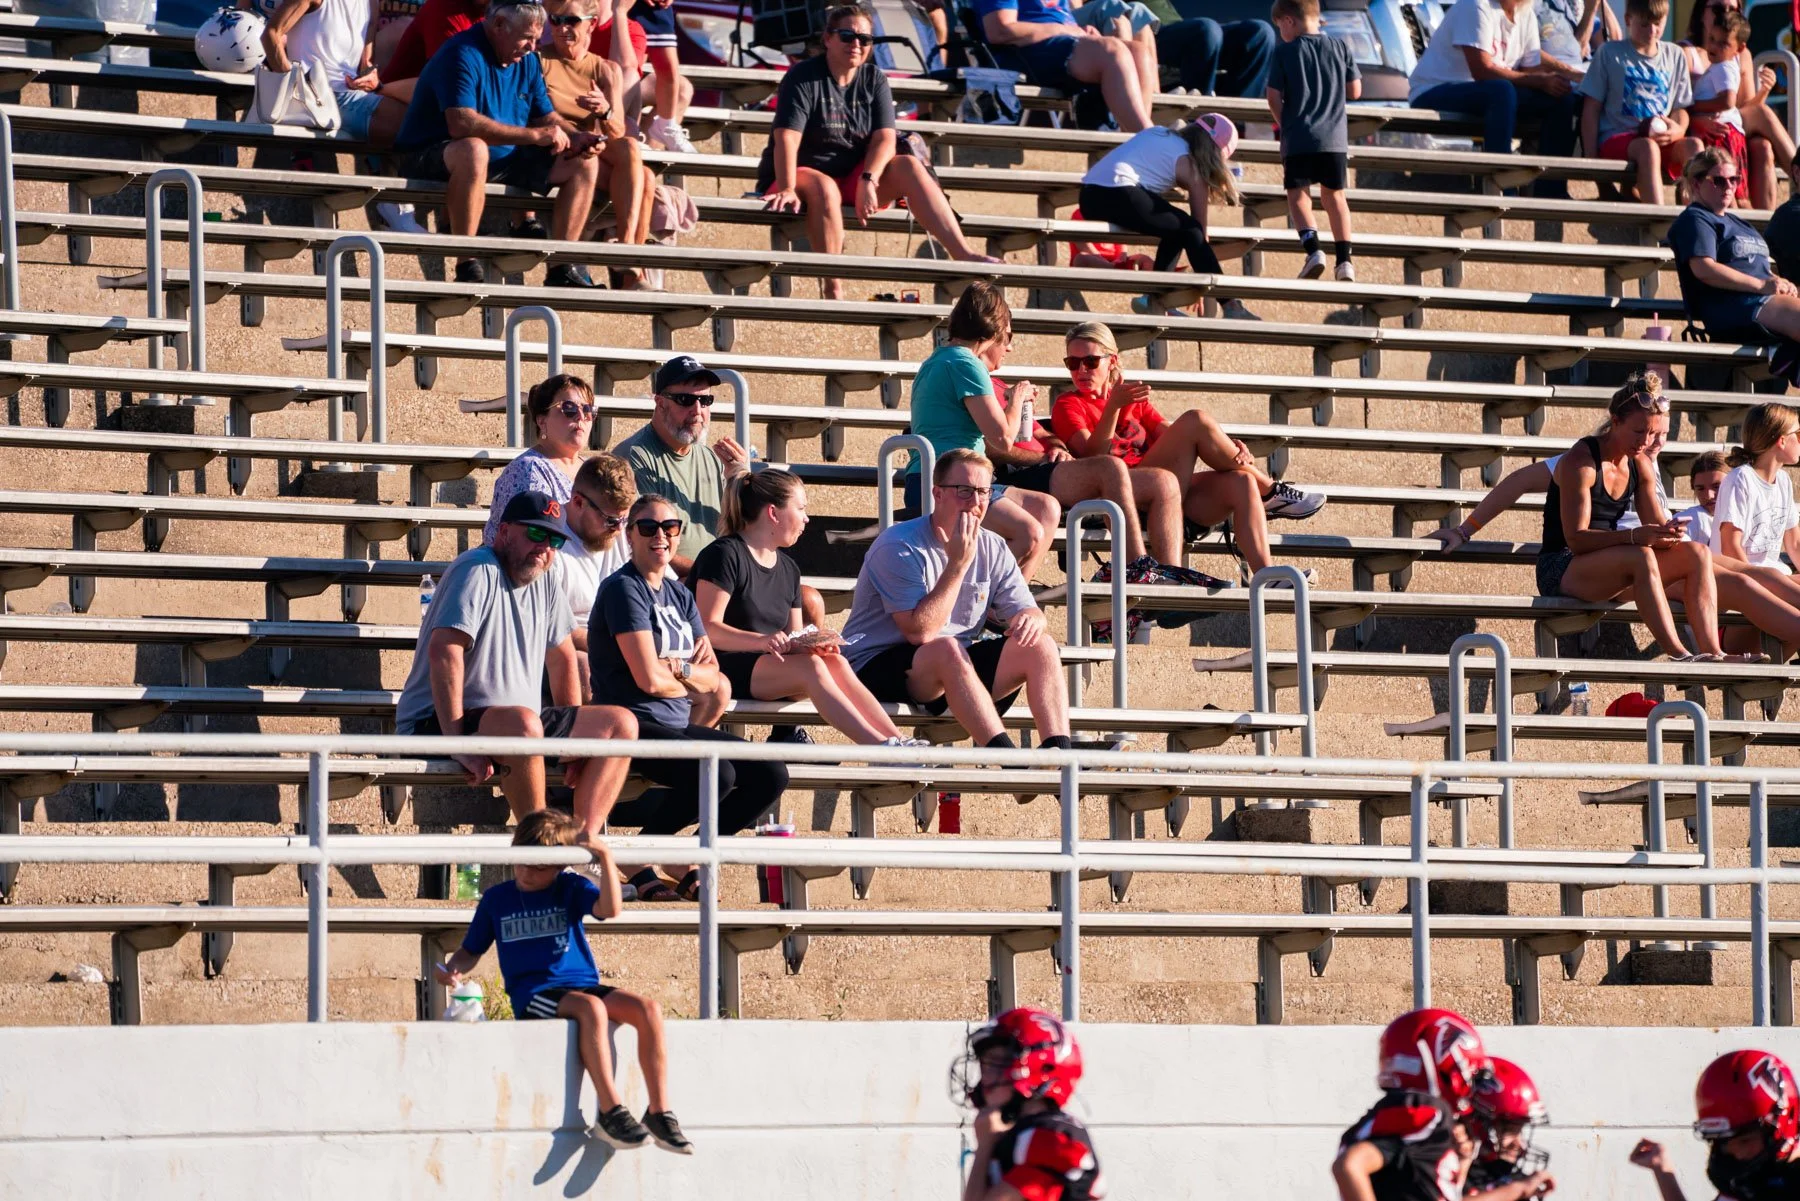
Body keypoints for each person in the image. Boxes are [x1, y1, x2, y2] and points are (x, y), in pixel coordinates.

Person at [904, 282, 1200, 586]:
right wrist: (1017, 397)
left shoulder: (938, 360)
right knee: (1041, 521)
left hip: (951, 478)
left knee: (1047, 510)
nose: (1009, 348)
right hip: (953, 482)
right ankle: (1135, 569)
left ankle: (1006, 602)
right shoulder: (967, 363)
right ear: (992, 330)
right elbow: (1002, 439)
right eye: (1007, 336)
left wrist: (1051, 447)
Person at [436, 810, 691, 1154]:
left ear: (559, 867)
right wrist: (454, 968)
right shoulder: (498, 898)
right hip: (535, 993)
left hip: (582, 982)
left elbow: (610, 909)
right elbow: (470, 951)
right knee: (591, 1009)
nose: (526, 873)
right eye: (522, 863)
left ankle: (659, 1111)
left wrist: (604, 855)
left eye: (539, 868)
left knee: (648, 1009)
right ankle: (610, 1110)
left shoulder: (570, 887)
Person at [395, 490, 638, 835]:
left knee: (620, 724)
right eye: (536, 534)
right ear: (504, 532)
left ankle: (580, 844)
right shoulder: (476, 568)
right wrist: (457, 743)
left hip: (517, 723)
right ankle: (540, 848)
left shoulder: (547, 577)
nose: (545, 547)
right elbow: (445, 651)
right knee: (524, 725)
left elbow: (563, 657)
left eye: (554, 539)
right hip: (440, 722)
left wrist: (572, 743)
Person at [589, 493, 790, 901]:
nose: (660, 536)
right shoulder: (624, 590)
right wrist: (686, 673)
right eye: (648, 527)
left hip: (676, 721)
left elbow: (713, 677)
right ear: (630, 535)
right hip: (632, 723)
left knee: (771, 773)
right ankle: (650, 852)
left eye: (670, 527)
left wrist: (676, 668)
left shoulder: (679, 595)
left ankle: (671, 852)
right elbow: (647, 680)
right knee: (720, 773)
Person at [758, 4, 1001, 302]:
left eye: (865, 39)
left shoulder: (874, 78)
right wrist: (786, 187)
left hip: (851, 176)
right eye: (847, 36)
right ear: (827, 39)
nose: (856, 45)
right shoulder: (804, 76)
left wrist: (868, 179)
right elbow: (786, 137)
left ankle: (962, 253)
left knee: (909, 165)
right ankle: (833, 288)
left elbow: (885, 137)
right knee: (824, 188)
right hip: (799, 173)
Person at [1053, 321, 1327, 584]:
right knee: (1195, 419)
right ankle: (1270, 490)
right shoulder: (1068, 404)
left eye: (1090, 361)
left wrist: (1230, 447)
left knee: (1241, 482)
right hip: (1123, 490)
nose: (1081, 370)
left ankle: (1267, 576)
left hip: (1167, 494)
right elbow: (1092, 458)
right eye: (1072, 363)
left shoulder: (1130, 399)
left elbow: (1174, 436)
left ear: (1111, 361)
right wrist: (1113, 408)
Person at [844, 449, 1074, 753]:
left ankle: (1058, 758)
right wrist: (957, 564)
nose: (976, 502)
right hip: (876, 665)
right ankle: (1007, 760)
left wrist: (1032, 618)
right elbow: (920, 633)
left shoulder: (992, 545)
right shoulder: (898, 545)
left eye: (983, 492)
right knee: (945, 647)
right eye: (964, 491)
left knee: (1041, 645)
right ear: (937, 494)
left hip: (953, 667)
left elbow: (1025, 607)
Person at [692, 470, 920, 747]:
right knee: (811, 667)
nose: (806, 518)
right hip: (720, 665)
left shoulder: (789, 569)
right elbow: (707, 628)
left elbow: (794, 638)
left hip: (768, 666)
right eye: (800, 509)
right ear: (773, 513)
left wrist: (812, 645)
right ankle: (879, 747)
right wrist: (763, 641)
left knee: (834, 661)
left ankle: (897, 740)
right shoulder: (725, 554)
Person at [1535, 374, 1748, 662]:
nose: (1645, 441)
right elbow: (1576, 539)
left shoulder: (1640, 463)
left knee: (1696, 552)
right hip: (1562, 567)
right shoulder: (1581, 462)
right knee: (1641, 556)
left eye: (1652, 433)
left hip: (1613, 565)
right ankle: (1680, 654)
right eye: (1639, 432)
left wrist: (1668, 533)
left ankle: (1713, 652)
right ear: (1615, 421)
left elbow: (1654, 527)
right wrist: (1635, 536)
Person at [393, 1, 601, 287]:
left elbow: (545, 115)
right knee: (474, 149)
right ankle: (466, 264)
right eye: (527, 37)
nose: (532, 46)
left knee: (583, 161)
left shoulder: (527, 59)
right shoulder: (461, 52)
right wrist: (534, 136)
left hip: (500, 157)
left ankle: (561, 267)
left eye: (537, 39)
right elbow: (461, 124)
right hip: (429, 153)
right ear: (500, 24)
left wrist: (576, 136)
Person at [1077, 116, 1260, 320]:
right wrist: (1200, 279)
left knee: (1177, 229)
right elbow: (1199, 232)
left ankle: (1156, 296)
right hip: (1118, 192)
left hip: (1088, 196)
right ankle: (1230, 304)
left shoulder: (1158, 133)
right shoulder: (1193, 165)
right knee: (1189, 229)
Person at [1407, 0, 1581, 198]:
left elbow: (1529, 71)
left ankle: (1551, 190)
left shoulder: (1526, 13)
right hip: (1434, 90)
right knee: (1501, 90)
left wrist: (1555, 79)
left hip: (1490, 93)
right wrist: (1539, 81)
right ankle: (1500, 185)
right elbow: (1482, 70)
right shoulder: (1476, 5)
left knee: (1561, 96)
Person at [539, 0, 655, 289]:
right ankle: (633, 276)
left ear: (591, 23)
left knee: (631, 150)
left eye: (572, 21)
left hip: (592, 147)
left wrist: (604, 111)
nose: (562, 28)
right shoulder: (538, 61)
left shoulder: (606, 69)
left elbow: (616, 132)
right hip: (555, 147)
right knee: (647, 178)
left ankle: (626, 250)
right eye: (555, 20)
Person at [1334, 1008, 1488, 1201]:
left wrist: (1463, 1163)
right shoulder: (1425, 1110)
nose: (1470, 1084)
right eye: (1471, 1072)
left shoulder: (1384, 1115)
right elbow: (1349, 1165)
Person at [954, 1008, 1105, 1201]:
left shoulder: (1049, 1136)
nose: (985, 1076)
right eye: (984, 1064)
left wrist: (984, 1147)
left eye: (995, 1063)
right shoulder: (1027, 1133)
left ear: (1039, 1067)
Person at [1671, 147, 1800, 362]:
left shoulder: (1739, 223)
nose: (1728, 186)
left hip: (1763, 302)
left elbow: (1759, 268)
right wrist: (1761, 286)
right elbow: (1704, 269)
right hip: (1735, 308)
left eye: (1734, 179)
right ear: (1696, 183)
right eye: (1718, 180)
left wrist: (1778, 281)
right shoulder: (1696, 218)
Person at [1266, 0, 1360, 282]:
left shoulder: (1284, 51)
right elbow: (1355, 90)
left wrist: (1286, 125)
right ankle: (1345, 261)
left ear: (1288, 21)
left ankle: (1313, 250)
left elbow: (1272, 96)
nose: (1279, 31)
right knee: (1335, 197)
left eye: (1278, 25)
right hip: (1334, 140)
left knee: (1298, 196)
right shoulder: (1341, 47)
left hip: (1298, 138)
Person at [1630, 1050, 1800, 1201]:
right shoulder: (1751, 1181)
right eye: (1724, 1143)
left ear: (1783, 1122)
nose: (1737, 1154)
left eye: (1744, 1141)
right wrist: (1663, 1169)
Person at [1579, 0, 1699, 207]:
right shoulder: (1609, 53)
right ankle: (1658, 224)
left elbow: (1681, 108)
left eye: (1658, 24)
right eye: (1644, 24)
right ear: (1628, 20)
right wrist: (1593, 163)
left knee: (1694, 146)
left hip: (1660, 138)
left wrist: (1677, 131)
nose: (1652, 31)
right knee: (1648, 148)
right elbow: (1591, 109)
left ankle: (1696, 220)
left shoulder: (1675, 55)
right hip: (1617, 138)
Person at [1683, 0, 1797, 211]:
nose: (1724, 14)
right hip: (1701, 126)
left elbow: (1745, 106)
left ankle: (1766, 226)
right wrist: (1698, 120)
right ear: (1702, 13)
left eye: (1732, 9)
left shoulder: (1740, 54)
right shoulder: (1687, 52)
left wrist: (1764, 91)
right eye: (1718, 9)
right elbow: (1679, 103)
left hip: (1732, 124)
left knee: (1762, 145)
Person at [976, 0, 1154, 133]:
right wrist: (1065, 30)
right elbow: (1000, 31)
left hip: (1062, 48)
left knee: (1137, 51)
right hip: (1022, 56)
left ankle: (1135, 143)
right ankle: (1147, 138)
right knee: (1112, 49)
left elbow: (1062, 22)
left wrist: (1084, 32)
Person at [551, 453, 635, 697]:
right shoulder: (550, 545)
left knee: (714, 689)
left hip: (626, 644)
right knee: (583, 668)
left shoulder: (623, 533)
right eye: (610, 520)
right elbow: (556, 631)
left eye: (624, 519)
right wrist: (625, 648)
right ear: (577, 502)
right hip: (571, 650)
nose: (619, 529)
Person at [484, 373, 596, 546]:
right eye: (569, 408)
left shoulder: (593, 470)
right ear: (542, 421)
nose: (581, 416)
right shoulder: (528, 470)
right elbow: (528, 545)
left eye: (587, 409)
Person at [1685, 10, 1753, 208]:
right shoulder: (1719, 66)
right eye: (1712, 39)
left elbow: (1727, 101)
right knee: (1731, 190)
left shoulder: (1724, 67)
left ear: (1739, 49)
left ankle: (1742, 232)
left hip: (1724, 136)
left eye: (1723, 43)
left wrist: (1694, 107)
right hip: (1723, 133)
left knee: (1729, 188)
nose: (1713, 46)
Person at [1465, 1058, 1555, 1201]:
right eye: (1511, 1131)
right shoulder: (1450, 1173)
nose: (1519, 1144)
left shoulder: (1513, 1179)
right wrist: (1518, 1189)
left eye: (1520, 1131)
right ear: (1477, 1122)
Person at [1680, 448, 1730, 546]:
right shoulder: (1691, 519)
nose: (1709, 496)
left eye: (1717, 487)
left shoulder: (1751, 515)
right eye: (1700, 489)